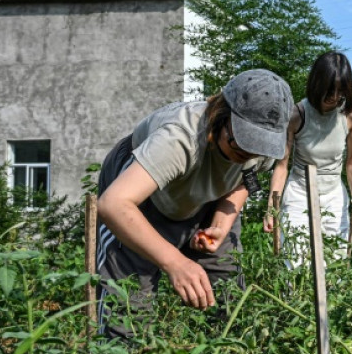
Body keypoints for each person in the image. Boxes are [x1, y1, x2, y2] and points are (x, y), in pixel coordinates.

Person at [95, 69, 294, 339]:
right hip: (143, 199)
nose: (247, 156)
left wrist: (221, 224)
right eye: (240, 146)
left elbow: (244, 179)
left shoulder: (263, 145)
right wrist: (175, 261)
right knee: (128, 312)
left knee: (231, 305)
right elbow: (113, 204)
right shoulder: (180, 138)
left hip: (206, 199)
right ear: (221, 116)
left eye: (256, 150)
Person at [264, 52, 352, 266]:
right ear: (317, 84)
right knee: (296, 261)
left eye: (341, 91)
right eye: (330, 90)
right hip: (299, 191)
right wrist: (271, 208)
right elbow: (282, 166)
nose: (335, 96)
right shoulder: (297, 115)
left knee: (335, 262)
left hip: (333, 194)